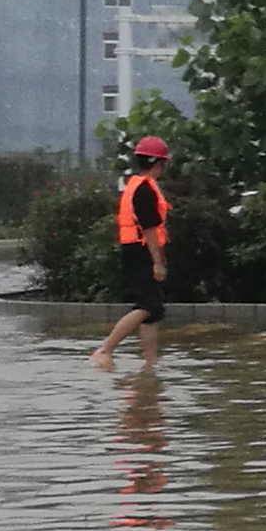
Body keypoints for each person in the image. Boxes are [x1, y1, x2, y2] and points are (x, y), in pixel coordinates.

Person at [91, 137, 173, 373]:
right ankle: (105, 350)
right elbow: (148, 229)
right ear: (157, 163)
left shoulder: (136, 184)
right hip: (140, 252)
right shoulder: (145, 189)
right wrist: (157, 263)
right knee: (146, 306)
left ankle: (150, 363)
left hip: (136, 250)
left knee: (153, 310)